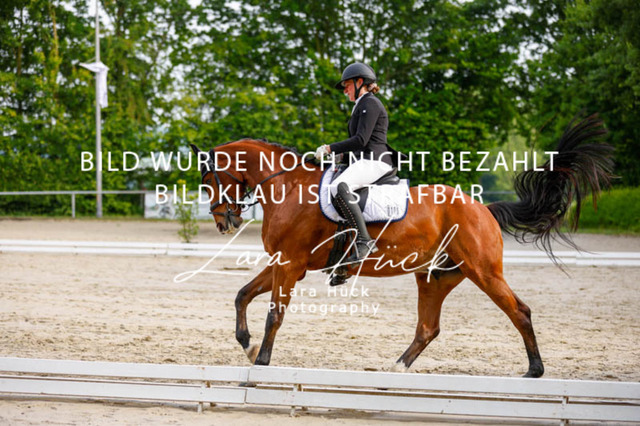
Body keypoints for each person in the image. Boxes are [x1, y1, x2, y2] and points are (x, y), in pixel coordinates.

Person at [315, 62, 394, 263]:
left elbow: (361, 140)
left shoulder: (370, 103)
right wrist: (340, 157)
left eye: (347, 85)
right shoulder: (362, 104)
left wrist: (330, 148)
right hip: (364, 159)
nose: (345, 91)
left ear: (360, 82)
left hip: (375, 160)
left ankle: (365, 240)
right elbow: (359, 146)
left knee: (339, 186)